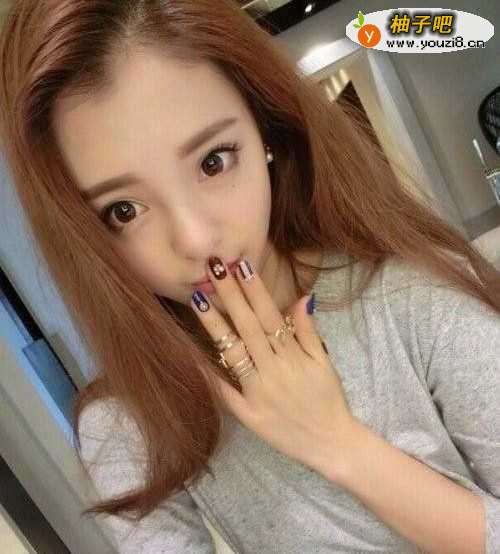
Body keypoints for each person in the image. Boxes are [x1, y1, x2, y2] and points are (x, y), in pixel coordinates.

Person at [0, 1, 498, 553]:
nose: (195, 240)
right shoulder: (128, 424)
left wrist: (339, 446)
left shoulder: (414, 297)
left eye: (213, 161)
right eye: (124, 210)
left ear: (265, 130)